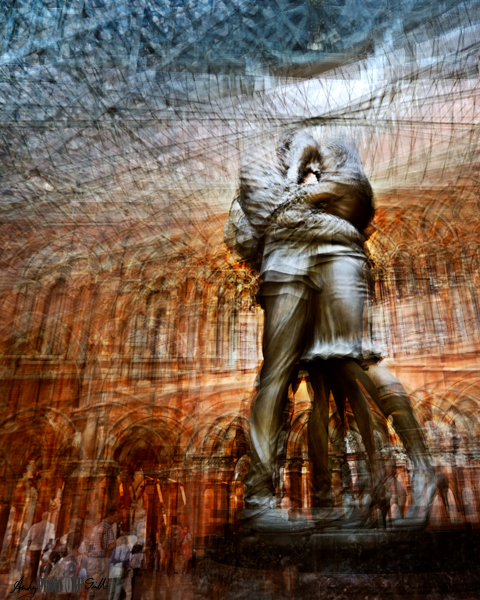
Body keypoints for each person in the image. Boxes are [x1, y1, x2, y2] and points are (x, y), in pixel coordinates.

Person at [225, 130, 435, 531]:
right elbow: (270, 215)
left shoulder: (328, 163)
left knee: (355, 363)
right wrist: (332, 217)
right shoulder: (263, 165)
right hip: (290, 265)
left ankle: (398, 478)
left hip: (327, 261)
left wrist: (319, 210)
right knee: (285, 380)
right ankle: (271, 499)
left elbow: (356, 200)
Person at [86, 508, 117, 599]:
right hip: (101, 559)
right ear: (110, 515)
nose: (116, 519)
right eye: (115, 516)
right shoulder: (107, 527)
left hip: (91, 559)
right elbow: (111, 545)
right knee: (100, 586)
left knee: (92, 585)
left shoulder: (96, 527)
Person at [24, 512, 55, 581]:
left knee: (33, 565)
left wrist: (28, 548)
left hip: (34, 548)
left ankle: (32, 579)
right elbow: (51, 538)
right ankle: (39, 580)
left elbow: (29, 538)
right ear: (49, 517)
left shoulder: (35, 526)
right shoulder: (51, 526)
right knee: (43, 565)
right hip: (44, 548)